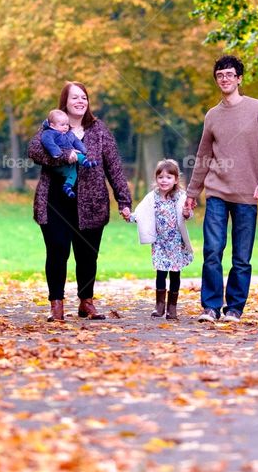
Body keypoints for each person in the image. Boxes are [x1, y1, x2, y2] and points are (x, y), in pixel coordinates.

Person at [185, 55, 258, 323]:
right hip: (216, 192)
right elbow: (203, 157)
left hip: (247, 193)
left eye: (229, 74)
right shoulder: (212, 115)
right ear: (217, 80)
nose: (225, 79)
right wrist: (192, 194)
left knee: (241, 256)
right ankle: (211, 307)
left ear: (239, 78)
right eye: (220, 75)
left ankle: (234, 309)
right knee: (212, 250)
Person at [27, 82, 132, 322]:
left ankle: (86, 302)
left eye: (83, 97)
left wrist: (124, 200)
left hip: (92, 204)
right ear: (65, 101)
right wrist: (64, 156)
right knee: (57, 251)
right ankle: (56, 304)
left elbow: (114, 167)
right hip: (55, 202)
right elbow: (34, 151)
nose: (80, 101)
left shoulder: (99, 130)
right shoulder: (51, 128)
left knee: (87, 255)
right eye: (75, 97)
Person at [129, 159, 194, 320]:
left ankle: (172, 307)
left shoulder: (180, 196)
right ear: (156, 179)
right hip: (160, 243)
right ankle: (159, 306)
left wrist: (187, 212)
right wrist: (130, 216)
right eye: (161, 177)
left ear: (176, 180)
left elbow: (188, 214)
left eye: (168, 177)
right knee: (160, 274)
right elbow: (141, 213)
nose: (164, 181)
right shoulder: (153, 197)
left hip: (176, 244)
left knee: (175, 275)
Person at [39, 108, 99, 198]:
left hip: (70, 164)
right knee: (77, 155)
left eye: (67, 124)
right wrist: (57, 152)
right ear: (52, 125)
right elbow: (48, 142)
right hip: (59, 163)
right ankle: (86, 163)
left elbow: (76, 141)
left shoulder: (69, 134)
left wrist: (83, 149)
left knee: (73, 173)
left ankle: (67, 187)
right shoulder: (49, 133)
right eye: (62, 125)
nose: (66, 127)